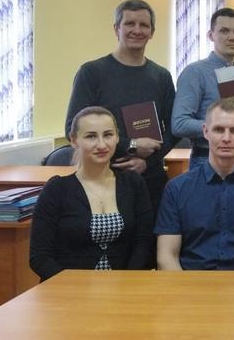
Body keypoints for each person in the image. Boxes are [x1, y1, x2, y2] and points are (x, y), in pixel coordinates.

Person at [65, 0, 175, 216]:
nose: (137, 30)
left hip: (151, 181)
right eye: (129, 23)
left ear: (152, 32)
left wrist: (147, 162)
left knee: (150, 237)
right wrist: (131, 145)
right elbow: (72, 128)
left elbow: (173, 129)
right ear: (116, 28)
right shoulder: (92, 73)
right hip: (102, 179)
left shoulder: (161, 76)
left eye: (144, 25)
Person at [30, 107, 153, 280]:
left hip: (124, 286)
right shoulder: (57, 189)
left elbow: (143, 243)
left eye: (108, 135)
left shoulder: (133, 183)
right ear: (74, 140)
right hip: (67, 289)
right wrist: (75, 288)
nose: (101, 144)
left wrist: (126, 283)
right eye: (91, 136)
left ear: (117, 137)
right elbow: (40, 257)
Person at [155, 99, 234, 270]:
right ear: (205, 131)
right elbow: (166, 256)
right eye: (219, 129)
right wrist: (184, 288)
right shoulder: (177, 188)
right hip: (192, 282)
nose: (226, 138)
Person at [172, 7, 234, 171]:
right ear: (210, 35)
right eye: (224, 31)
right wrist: (220, 127)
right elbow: (179, 124)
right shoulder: (195, 72)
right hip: (207, 159)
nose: (232, 37)